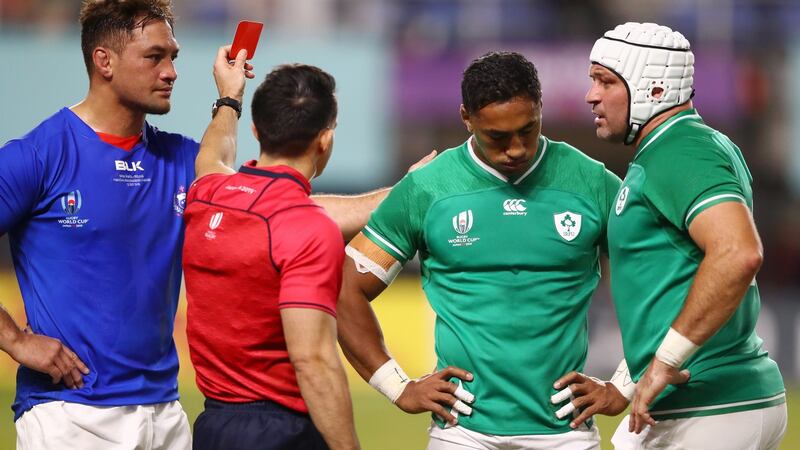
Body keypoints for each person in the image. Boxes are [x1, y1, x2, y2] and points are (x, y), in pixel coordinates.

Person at [0, 1, 417, 448]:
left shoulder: (180, 162)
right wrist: (16, 341)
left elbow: (286, 212)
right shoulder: (37, 156)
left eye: (173, 57)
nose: (171, 72)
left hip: (166, 415)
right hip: (69, 415)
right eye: (154, 57)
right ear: (104, 61)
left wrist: (409, 192)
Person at [337, 51, 622, 449]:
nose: (517, 148)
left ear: (541, 108)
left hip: (565, 433)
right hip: (462, 434)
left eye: (528, 129)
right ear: (466, 118)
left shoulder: (592, 183)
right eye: (498, 137)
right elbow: (347, 289)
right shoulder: (427, 189)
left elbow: (662, 278)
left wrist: (625, 384)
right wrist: (397, 387)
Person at [551, 22, 787, 450]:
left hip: (713, 407)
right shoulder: (675, 149)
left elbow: (738, 252)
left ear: (654, 90)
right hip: (701, 406)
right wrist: (625, 384)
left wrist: (664, 363)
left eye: (605, 81)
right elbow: (669, 290)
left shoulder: (682, 150)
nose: (591, 96)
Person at [181, 45, 360, 450]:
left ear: (257, 131)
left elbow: (214, 152)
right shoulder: (311, 227)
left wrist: (230, 97)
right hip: (284, 432)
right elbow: (313, 361)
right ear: (325, 138)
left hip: (213, 426)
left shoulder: (206, 192)